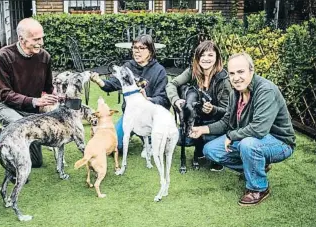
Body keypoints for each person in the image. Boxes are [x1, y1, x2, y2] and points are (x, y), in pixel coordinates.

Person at [190, 52, 295, 206]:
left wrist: (231, 136)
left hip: (279, 142)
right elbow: (227, 121)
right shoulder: (236, 93)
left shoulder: (265, 90)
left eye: (241, 72)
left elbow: (259, 129)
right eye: (232, 73)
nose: (236, 77)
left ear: (251, 71)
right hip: (250, 138)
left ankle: (258, 188)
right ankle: (257, 166)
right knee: (210, 150)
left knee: (248, 145)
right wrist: (203, 129)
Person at [0, 18, 58, 168]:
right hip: (4, 105)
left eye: (42, 38)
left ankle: (1, 132)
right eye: (36, 39)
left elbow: (48, 88)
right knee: (19, 126)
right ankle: (1, 138)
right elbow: (5, 94)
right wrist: (34, 101)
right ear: (21, 39)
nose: (41, 43)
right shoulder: (5, 56)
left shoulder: (45, 57)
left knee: (36, 162)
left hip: (29, 110)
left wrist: (56, 97)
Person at [90, 34, 170, 153]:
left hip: (149, 118)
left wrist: (148, 99)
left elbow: (163, 99)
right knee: (115, 147)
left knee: (158, 150)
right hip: (130, 115)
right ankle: (134, 134)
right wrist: (99, 81)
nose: (137, 52)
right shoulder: (128, 67)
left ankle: (148, 138)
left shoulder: (159, 71)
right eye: (134, 48)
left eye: (141, 48)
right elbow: (113, 84)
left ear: (151, 51)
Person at [165, 40, 232, 171]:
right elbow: (171, 84)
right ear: (197, 57)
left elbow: (227, 111)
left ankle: (216, 154)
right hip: (195, 120)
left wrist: (213, 109)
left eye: (210, 55)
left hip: (215, 123)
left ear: (217, 58)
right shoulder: (192, 71)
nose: (206, 59)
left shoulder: (224, 80)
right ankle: (200, 148)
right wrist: (176, 100)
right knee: (179, 139)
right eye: (202, 55)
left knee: (209, 143)